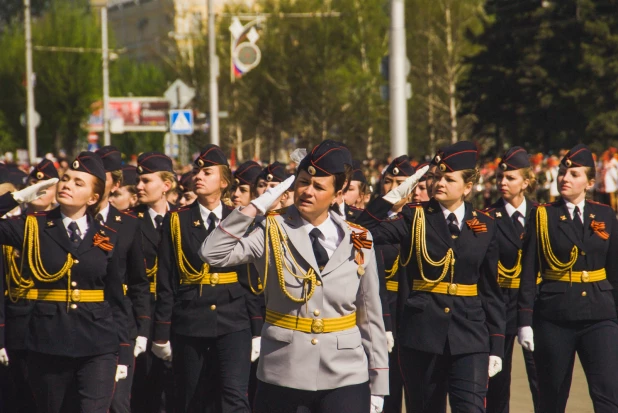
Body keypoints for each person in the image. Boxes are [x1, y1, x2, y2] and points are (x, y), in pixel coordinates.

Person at [200, 140, 389, 413]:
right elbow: (212, 253)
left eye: (318, 186)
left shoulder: (359, 238)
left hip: (346, 375)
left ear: (338, 194)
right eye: (302, 182)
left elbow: (370, 314)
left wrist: (379, 383)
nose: (307, 191)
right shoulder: (270, 231)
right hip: (284, 370)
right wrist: (255, 207)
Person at [358, 141, 505, 413]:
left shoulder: (486, 225)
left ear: (468, 186)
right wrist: (391, 198)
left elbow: (491, 290)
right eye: (437, 177)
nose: (440, 183)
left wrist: (496, 344)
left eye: (449, 179)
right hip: (422, 334)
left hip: (470, 335)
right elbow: (360, 233)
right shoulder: (414, 217)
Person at [0, 152, 131, 413]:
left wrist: (124, 352)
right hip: (48, 341)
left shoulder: (107, 235)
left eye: (78, 183)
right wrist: (19, 197)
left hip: (98, 343)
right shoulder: (32, 226)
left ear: (94, 197)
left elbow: (117, 298)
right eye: (66, 179)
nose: (67, 185)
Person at [152, 144, 264, 413]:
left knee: (234, 396)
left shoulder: (239, 219)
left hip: (233, 319)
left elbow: (248, 279)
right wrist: (161, 332)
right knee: (192, 397)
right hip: (190, 320)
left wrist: (257, 330)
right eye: (196, 171)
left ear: (224, 181)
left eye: (207, 172)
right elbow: (166, 279)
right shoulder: (177, 219)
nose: (198, 176)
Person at [517, 144, 618, 412]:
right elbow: (529, 271)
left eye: (574, 174)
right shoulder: (543, 215)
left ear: (590, 182)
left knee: (608, 394)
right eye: (563, 173)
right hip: (555, 316)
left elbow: (614, 270)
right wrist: (525, 319)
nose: (565, 179)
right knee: (552, 396)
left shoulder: (606, 215)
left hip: (600, 314)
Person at [483, 147, 539, 413]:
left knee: (542, 377)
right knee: (497, 381)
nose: (503, 183)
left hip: (534, 303)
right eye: (500, 177)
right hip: (499, 303)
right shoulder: (486, 217)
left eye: (511, 178)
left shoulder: (542, 215)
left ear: (526, 182)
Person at [95, 146, 151, 413]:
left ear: (115, 183)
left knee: (117, 403)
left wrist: (143, 328)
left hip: (119, 326)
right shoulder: (64, 222)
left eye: (100, 175)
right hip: (75, 324)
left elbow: (139, 281)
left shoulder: (127, 224)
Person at [0, 159, 58, 413]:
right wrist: (15, 198)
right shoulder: (17, 225)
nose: (40, 189)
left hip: (58, 325)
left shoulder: (63, 225)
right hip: (18, 324)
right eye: (35, 184)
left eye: (46, 185)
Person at [129, 151, 176, 413]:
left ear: (166, 185)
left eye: (146, 180)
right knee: (144, 392)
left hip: (175, 314)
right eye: (138, 180)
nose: (139, 186)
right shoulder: (129, 220)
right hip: (142, 313)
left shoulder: (181, 218)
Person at [374, 155, 416, 413]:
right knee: (384, 389)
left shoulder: (421, 220)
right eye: (388, 182)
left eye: (400, 182)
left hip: (412, 309)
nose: (393, 189)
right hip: (381, 306)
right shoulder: (373, 221)